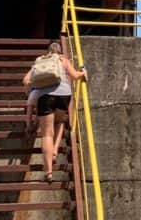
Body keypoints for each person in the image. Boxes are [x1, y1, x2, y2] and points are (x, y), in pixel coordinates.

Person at [22, 41, 86, 183]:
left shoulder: (40, 61)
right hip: (64, 95)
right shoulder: (63, 59)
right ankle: (55, 149)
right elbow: (75, 76)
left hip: (45, 96)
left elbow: (25, 80)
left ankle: (48, 172)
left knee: (46, 135)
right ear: (60, 50)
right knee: (60, 121)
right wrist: (83, 73)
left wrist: (33, 88)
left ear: (48, 51)